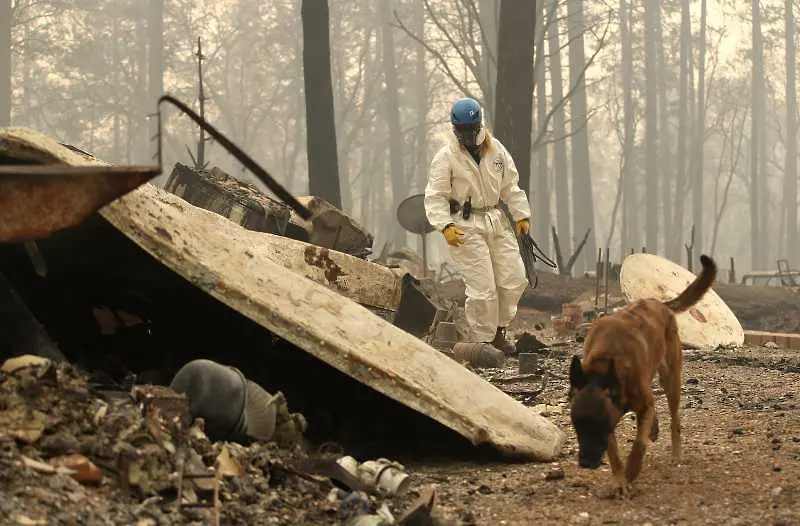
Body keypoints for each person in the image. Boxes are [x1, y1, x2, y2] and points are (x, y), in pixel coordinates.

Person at [424, 97, 531, 355]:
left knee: (513, 278)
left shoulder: (496, 151)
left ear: (479, 124)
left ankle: (499, 331)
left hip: (495, 220)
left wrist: (521, 216)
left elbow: (510, 186)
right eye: (464, 131)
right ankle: (484, 342)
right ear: (455, 130)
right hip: (465, 226)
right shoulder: (446, 157)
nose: (470, 135)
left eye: (473, 128)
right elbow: (435, 195)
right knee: (483, 288)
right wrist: (445, 226)